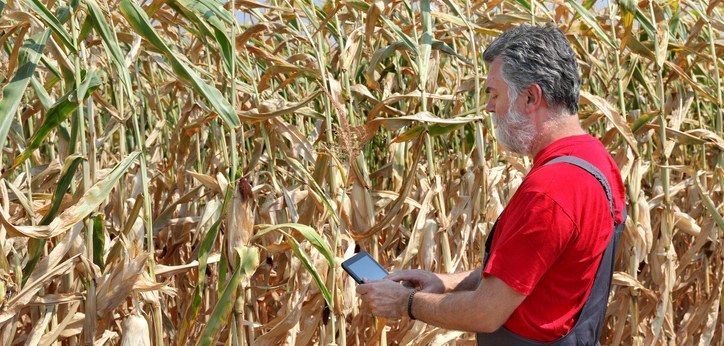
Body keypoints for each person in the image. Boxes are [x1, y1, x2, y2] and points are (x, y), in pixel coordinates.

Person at [356, 24, 627, 345]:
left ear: (530, 97)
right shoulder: (595, 159)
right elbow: (524, 277)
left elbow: (486, 312)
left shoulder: (552, 189)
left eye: (494, 93)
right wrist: (443, 282)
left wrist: (404, 302)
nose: (488, 107)